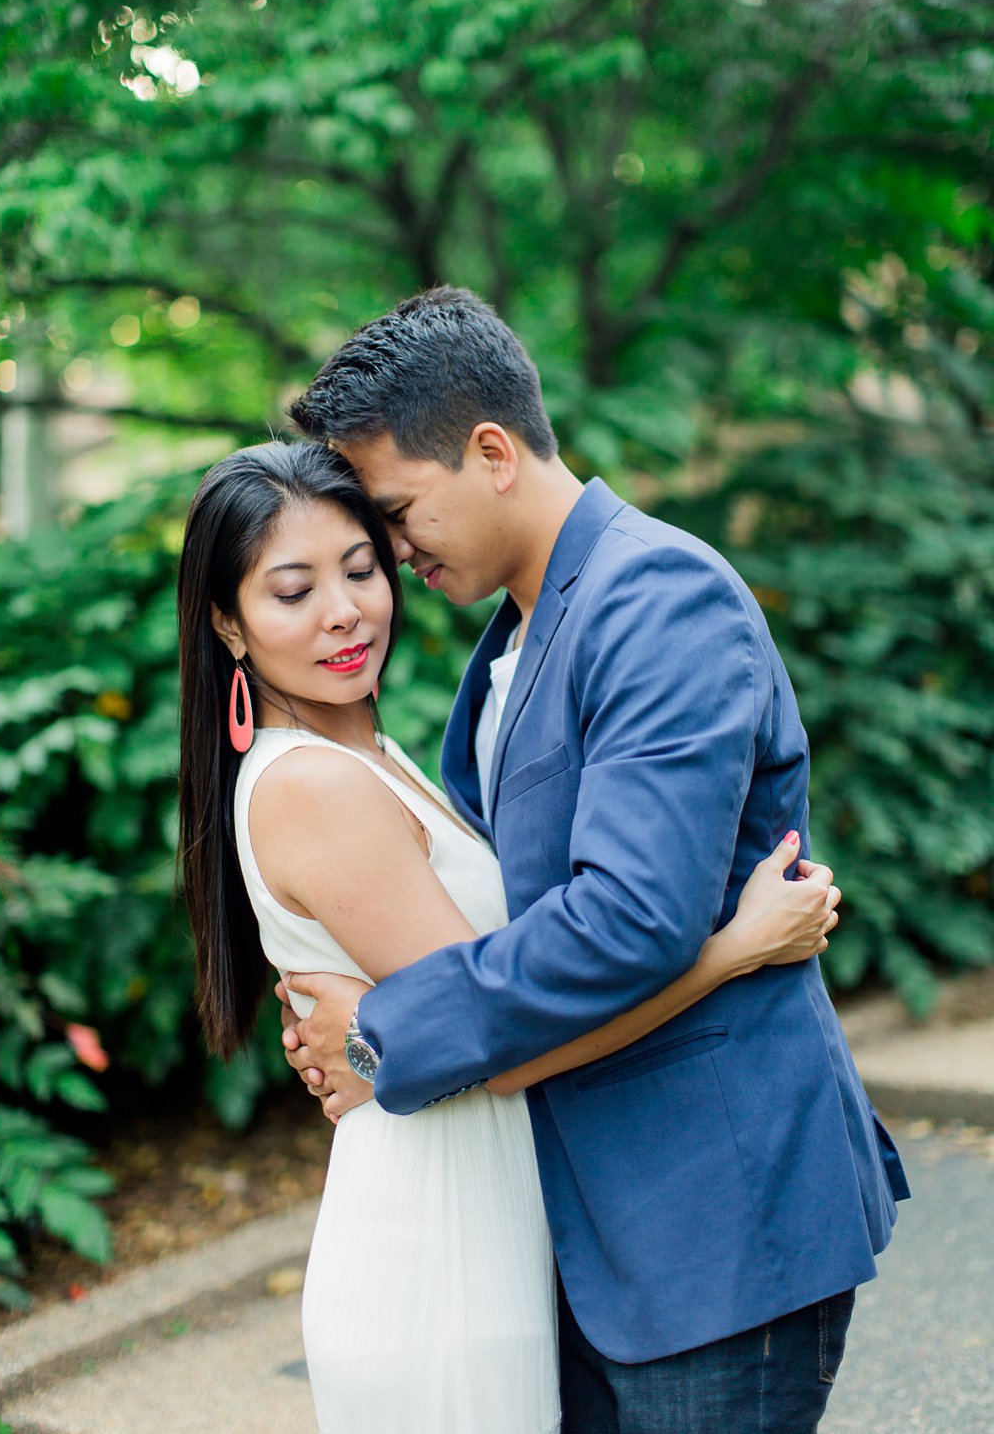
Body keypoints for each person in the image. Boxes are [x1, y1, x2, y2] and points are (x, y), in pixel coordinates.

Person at [273, 287, 909, 1432]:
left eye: (399, 511)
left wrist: (387, 1032)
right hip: (583, 1232)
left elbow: (626, 918)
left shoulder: (656, 597)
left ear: (490, 450)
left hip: (713, 1226)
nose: (390, 549)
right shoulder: (511, 638)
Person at [178, 438, 846, 1432]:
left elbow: (472, 1004)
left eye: (362, 568)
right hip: (434, 1248)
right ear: (227, 623)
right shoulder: (313, 784)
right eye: (290, 590)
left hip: (488, 1220)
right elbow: (500, 1038)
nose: (342, 610)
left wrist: (384, 1037)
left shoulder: (374, 755)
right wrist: (735, 945)